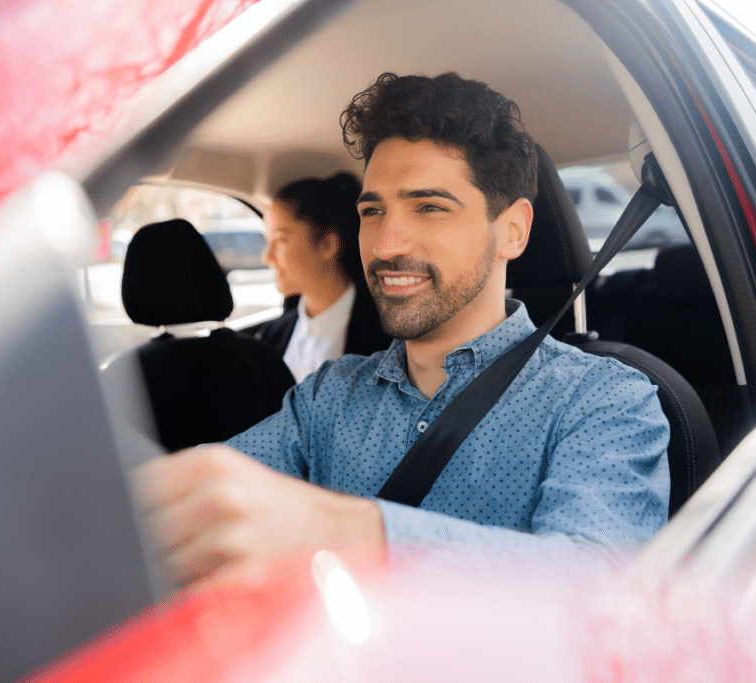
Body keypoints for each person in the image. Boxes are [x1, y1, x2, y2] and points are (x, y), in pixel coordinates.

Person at [136, 72, 670, 586]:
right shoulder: (328, 397)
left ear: (512, 230)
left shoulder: (605, 399)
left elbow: (597, 588)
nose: (386, 244)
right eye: (373, 211)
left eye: (430, 207)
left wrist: (345, 530)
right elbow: (205, 500)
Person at [254, 173, 391, 381]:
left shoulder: (388, 335)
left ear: (327, 245)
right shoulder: (271, 336)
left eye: (280, 240)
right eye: (268, 240)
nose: (267, 257)